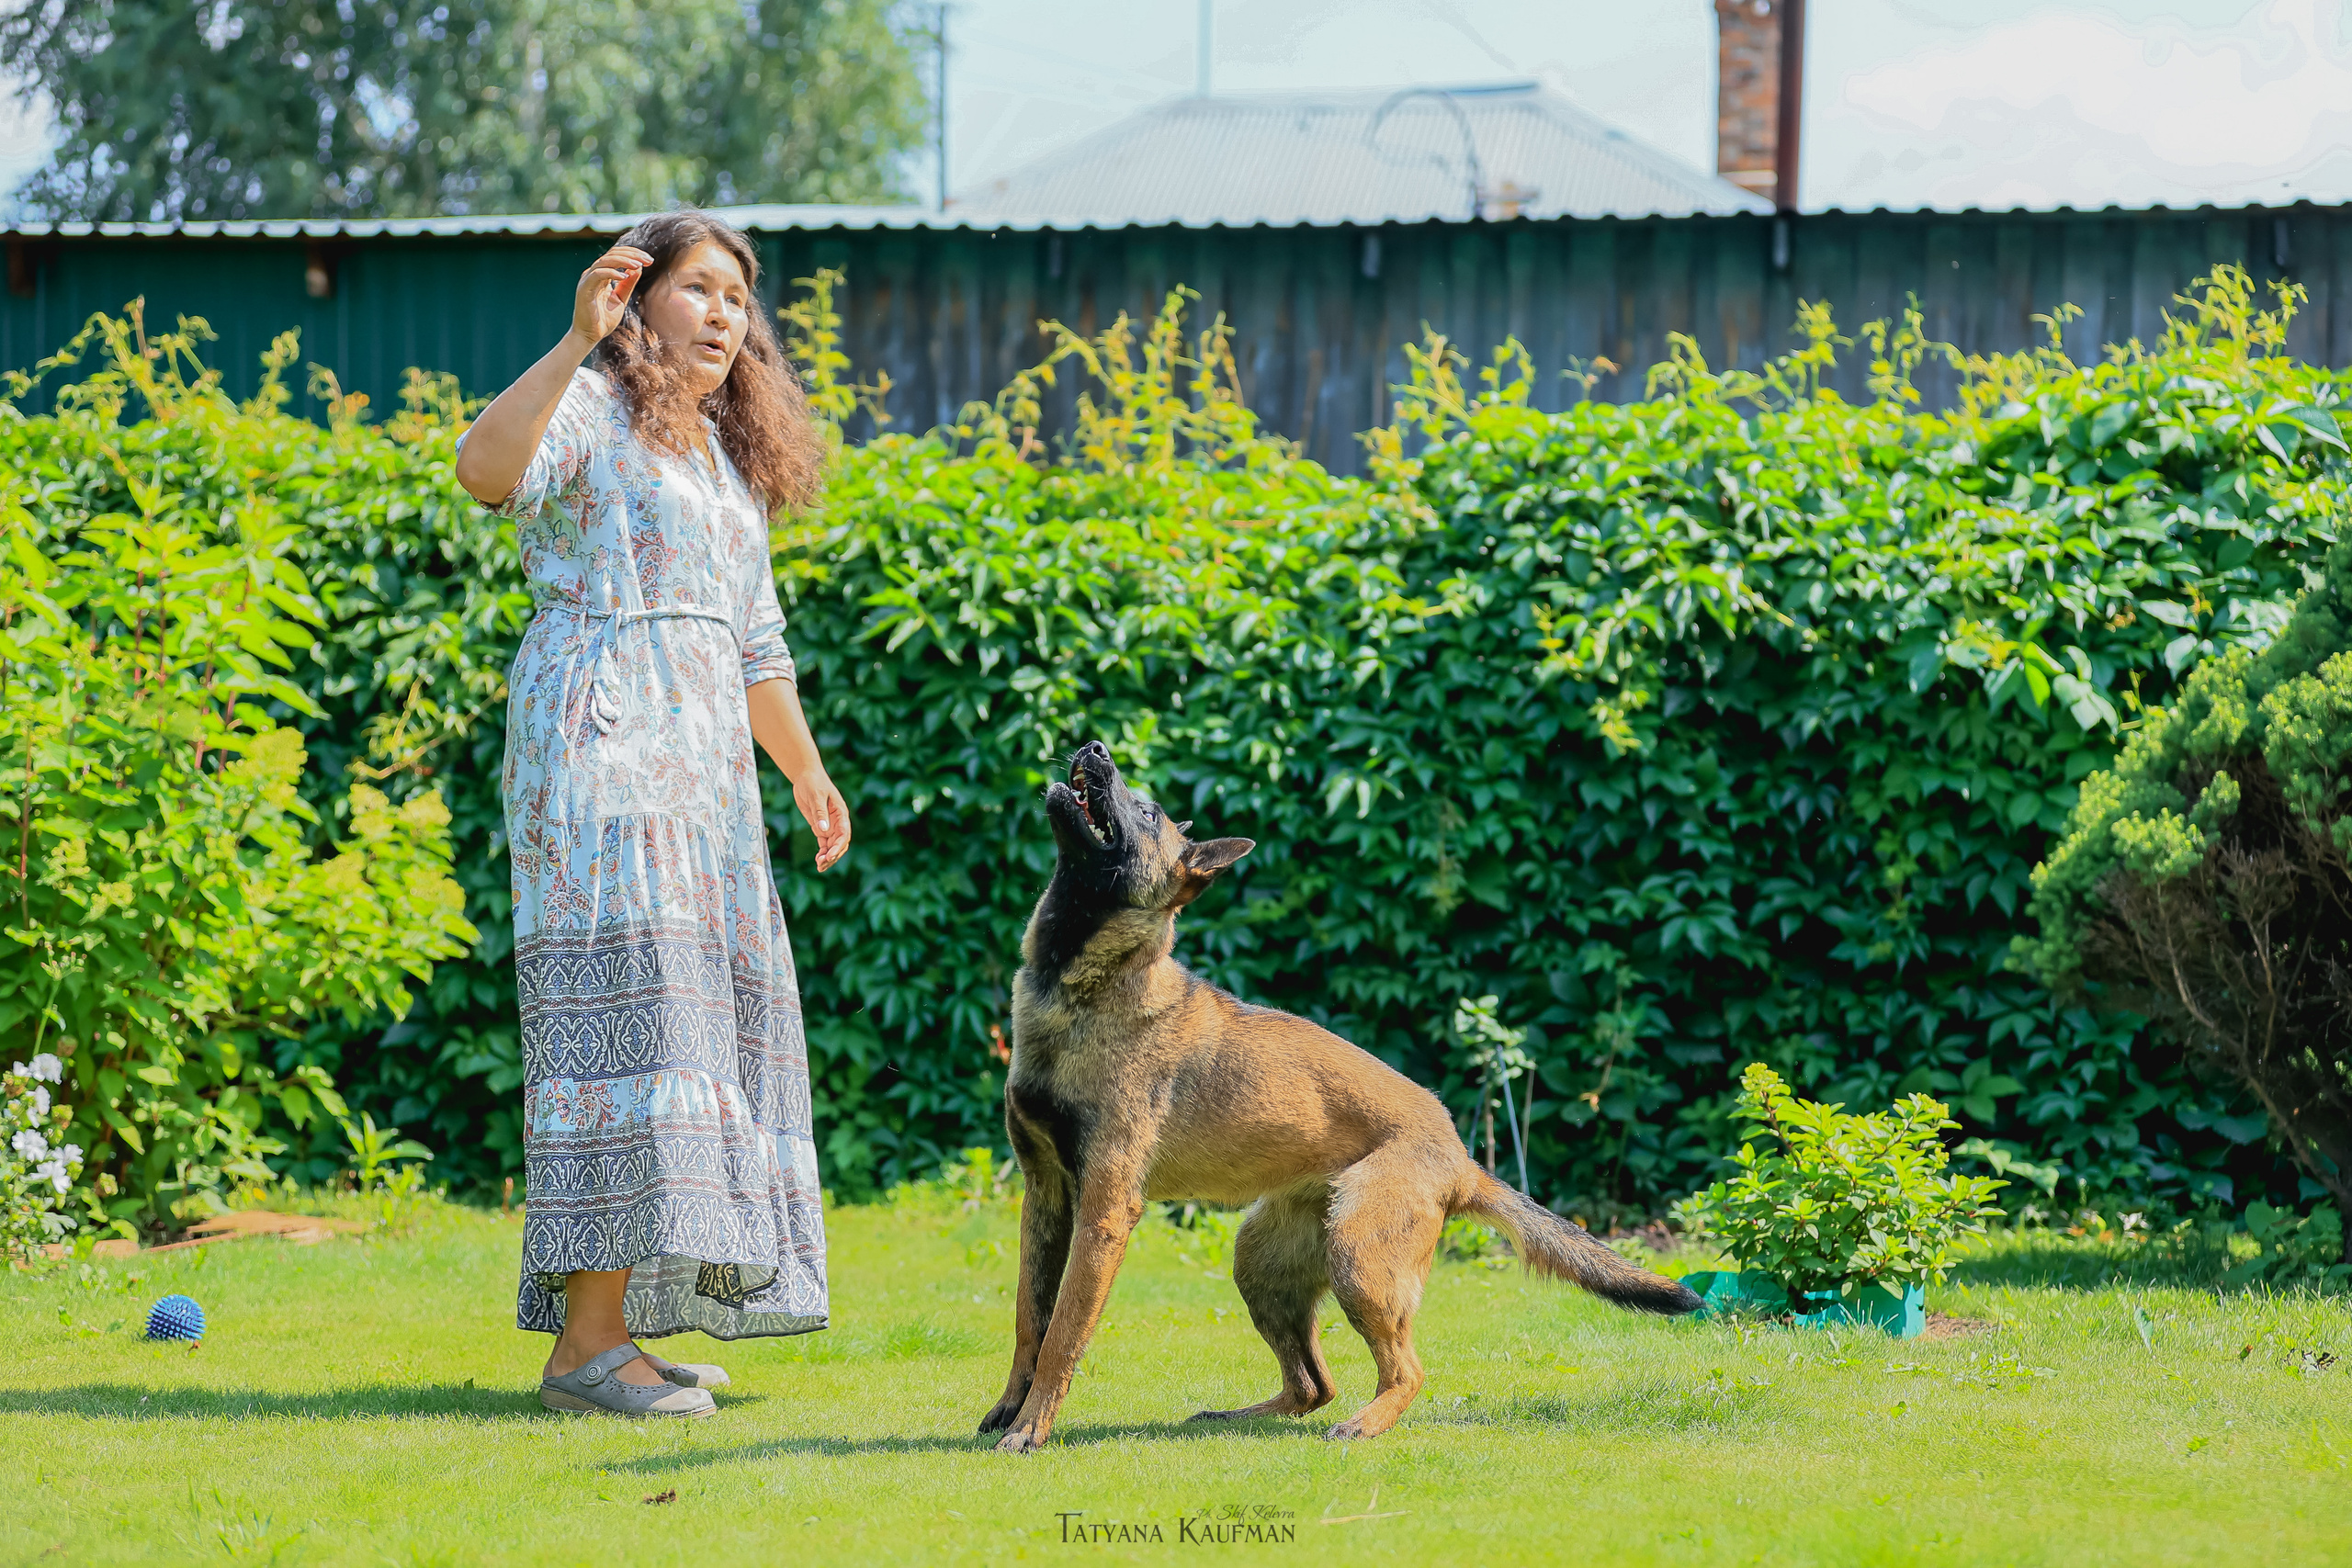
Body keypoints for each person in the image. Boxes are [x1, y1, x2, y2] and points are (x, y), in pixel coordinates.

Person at [455, 209, 850, 1418]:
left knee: (687, 1041)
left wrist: (805, 771)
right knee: (632, 1036)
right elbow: (484, 471)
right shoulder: (588, 408)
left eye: (739, 296)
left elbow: (754, 643)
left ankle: (616, 1331)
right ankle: (584, 1352)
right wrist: (575, 340)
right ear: (637, 298)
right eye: (699, 289)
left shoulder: (725, 460)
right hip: (602, 755)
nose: (725, 314)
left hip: (705, 785)